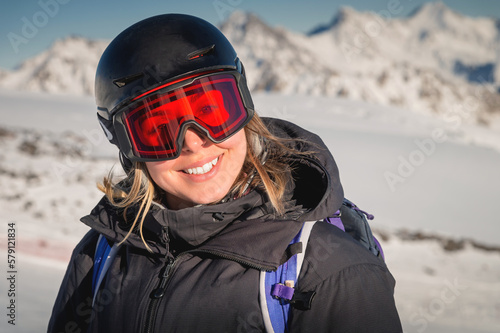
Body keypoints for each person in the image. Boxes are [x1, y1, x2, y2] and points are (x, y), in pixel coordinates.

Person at [48, 14, 402, 332]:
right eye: (157, 129)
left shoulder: (330, 270)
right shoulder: (102, 252)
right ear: (126, 146)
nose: (194, 142)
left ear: (244, 107)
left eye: (213, 111)